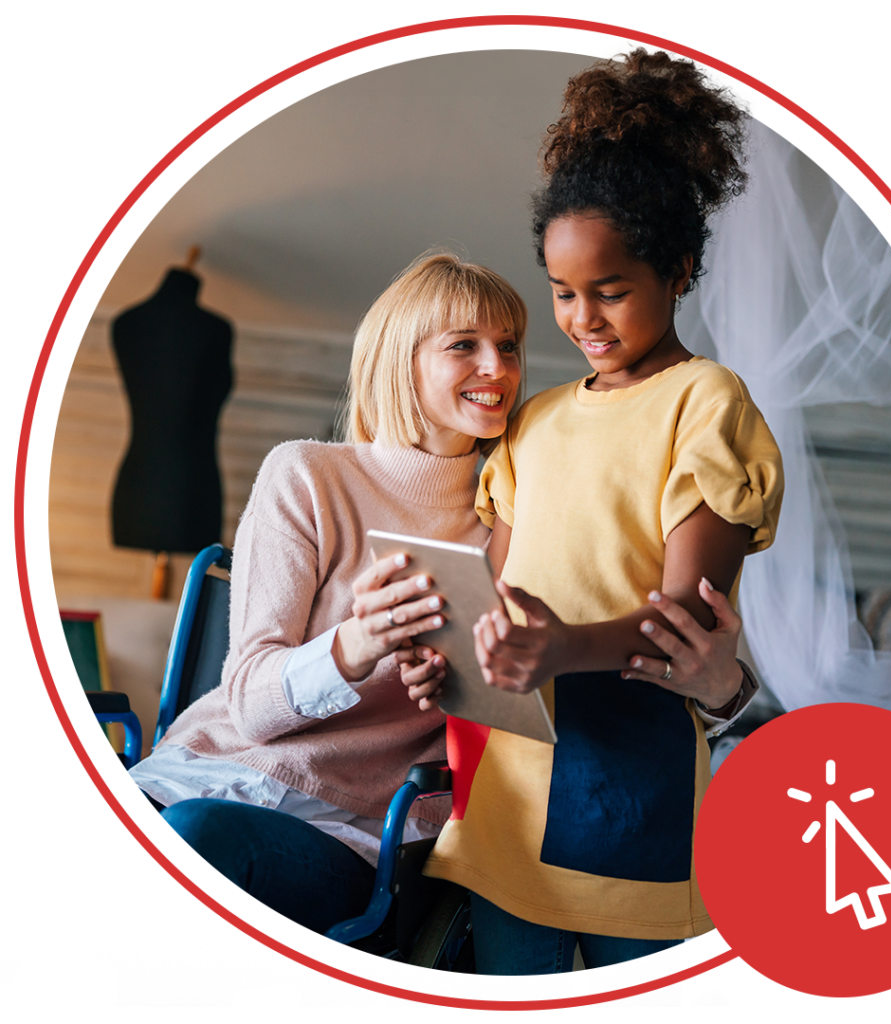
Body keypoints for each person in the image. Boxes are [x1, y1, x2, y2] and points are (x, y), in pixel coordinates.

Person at [410, 49, 785, 1006]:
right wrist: (447, 652)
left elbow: (687, 625)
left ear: (680, 269)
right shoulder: (532, 420)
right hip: (509, 792)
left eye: (611, 289)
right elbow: (488, 595)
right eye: (563, 291)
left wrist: (556, 647)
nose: (584, 318)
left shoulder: (706, 404)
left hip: (632, 782)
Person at [114, 252, 529, 1006]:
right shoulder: (307, 475)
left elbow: (511, 718)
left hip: (353, 836)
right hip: (209, 771)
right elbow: (249, 704)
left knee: (197, 843)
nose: (496, 365)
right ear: (401, 360)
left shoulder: (509, 523)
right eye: (464, 343)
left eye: (510, 344)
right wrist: (354, 647)